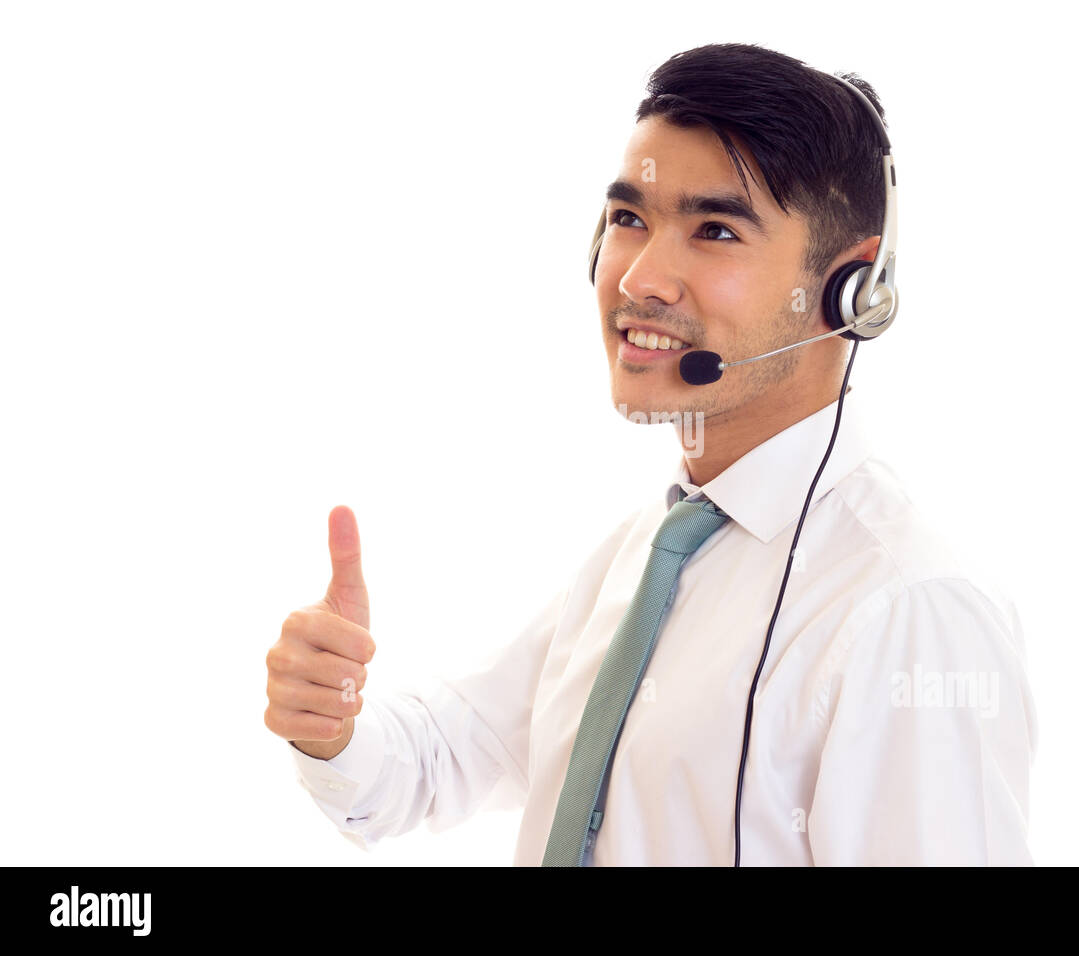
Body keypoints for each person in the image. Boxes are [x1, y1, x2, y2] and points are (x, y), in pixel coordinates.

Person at [264, 42, 1038, 866]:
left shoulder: (908, 610)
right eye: (630, 220)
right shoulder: (651, 555)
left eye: (715, 230)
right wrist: (331, 723)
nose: (638, 280)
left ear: (852, 292)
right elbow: (443, 759)